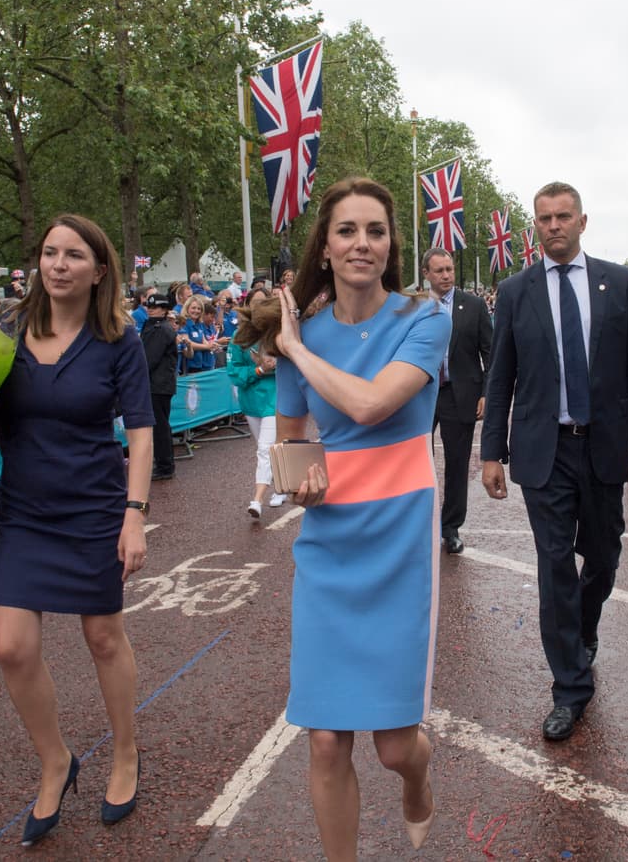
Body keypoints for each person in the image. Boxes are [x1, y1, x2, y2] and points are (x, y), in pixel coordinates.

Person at [237, 177, 448, 859]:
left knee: (392, 748)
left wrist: (294, 348)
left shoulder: (425, 316)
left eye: (376, 231)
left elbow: (369, 407)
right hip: (329, 544)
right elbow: (293, 442)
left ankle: (417, 777)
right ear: (324, 248)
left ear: (392, 246)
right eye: (348, 230)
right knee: (325, 737)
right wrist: (302, 484)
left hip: (400, 537)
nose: (363, 243)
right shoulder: (310, 331)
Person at [0, 214, 153, 846]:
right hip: (25, 513)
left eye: (74, 255)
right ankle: (56, 759)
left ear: (99, 270)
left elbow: (140, 433)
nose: (58, 265)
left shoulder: (119, 339)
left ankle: (125, 752)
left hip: (94, 509)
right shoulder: (4, 336)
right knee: (10, 647)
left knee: (103, 639)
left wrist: (134, 515)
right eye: (50, 254)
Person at [480, 181, 628, 742]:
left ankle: (586, 625)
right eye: (543, 219)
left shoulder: (621, 283)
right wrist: (491, 452)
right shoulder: (514, 291)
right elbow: (500, 376)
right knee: (554, 565)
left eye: (562, 217)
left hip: (605, 444)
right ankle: (569, 689)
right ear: (535, 226)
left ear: (583, 222)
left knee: (602, 556)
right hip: (543, 449)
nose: (553, 226)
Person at [424, 246, 492, 554]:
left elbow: (491, 353)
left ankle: (450, 527)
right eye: (439, 270)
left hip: (459, 393)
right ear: (426, 274)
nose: (447, 275)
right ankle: (418, 525)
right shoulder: (414, 307)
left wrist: (486, 393)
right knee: (415, 462)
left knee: (456, 463)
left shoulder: (474, 306)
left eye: (449, 269)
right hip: (420, 394)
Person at [227, 288, 288, 517]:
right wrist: (260, 368)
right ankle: (281, 485)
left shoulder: (280, 333)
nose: (260, 307)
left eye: (265, 302)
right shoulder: (238, 337)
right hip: (251, 400)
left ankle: (257, 500)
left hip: (275, 397)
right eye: (255, 302)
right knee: (268, 450)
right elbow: (234, 373)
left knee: (265, 449)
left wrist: (277, 362)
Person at [139, 292, 177, 481]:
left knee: (160, 426)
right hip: (158, 383)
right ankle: (164, 463)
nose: (150, 309)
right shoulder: (157, 326)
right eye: (148, 306)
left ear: (163, 310)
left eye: (154, 307)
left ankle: (165, 465)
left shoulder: (160, 329)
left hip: (158, 384)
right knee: (160, 425)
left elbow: (149, 358)